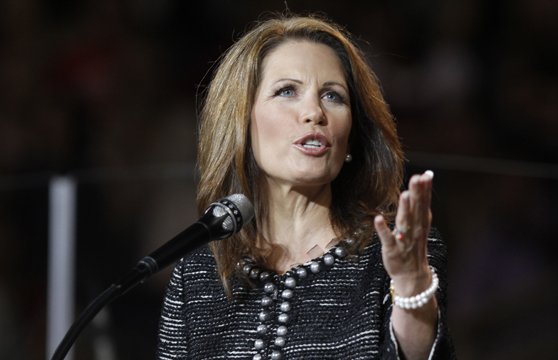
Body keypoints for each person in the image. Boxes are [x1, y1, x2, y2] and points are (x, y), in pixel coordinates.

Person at [157, 14, 456, 360]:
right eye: (287, 91)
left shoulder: (395, 252)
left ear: (351, 138)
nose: (314, 111)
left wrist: (411, 292)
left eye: (333, 96)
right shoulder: (196, 274)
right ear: (241, 121)